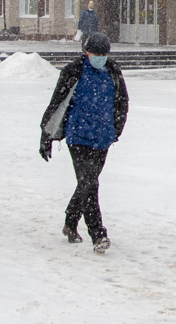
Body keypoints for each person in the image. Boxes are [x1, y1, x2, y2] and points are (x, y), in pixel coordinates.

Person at [40, 31, 128, 253]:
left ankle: (70, 221)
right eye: (95, 54)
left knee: (87, 183)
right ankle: (98, 234)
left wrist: (115, 129)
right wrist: (46, 135)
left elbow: (122, 102)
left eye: (104, 54)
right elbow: (57, 102)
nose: (100, 58)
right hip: (78, 136)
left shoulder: (113, 71)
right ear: (86, 52)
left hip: (103, 137)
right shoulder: (73, 71)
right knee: (90, 183)